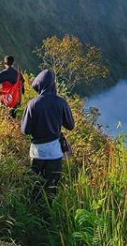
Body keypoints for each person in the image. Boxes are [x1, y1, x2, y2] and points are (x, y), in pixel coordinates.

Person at [21, 69, 75, 197]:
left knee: (35, 186)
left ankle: (33, 212)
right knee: (51, 189)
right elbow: (70, 126)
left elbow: (25, 130)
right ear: (53, 84)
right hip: (54, 152)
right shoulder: (61, 103)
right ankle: (49, 214)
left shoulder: (32, 104)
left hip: (36, 152)